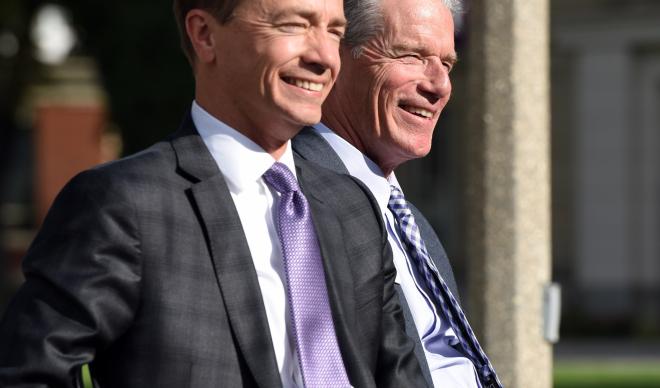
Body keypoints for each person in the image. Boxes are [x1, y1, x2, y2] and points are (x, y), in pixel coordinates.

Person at [0, 0, 425, 387]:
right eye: (294, 25)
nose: (322, 57)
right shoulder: (124, 206)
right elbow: (30, 373)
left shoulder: (353, 209)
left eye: (334, 31)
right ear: (205, 35)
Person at [292, 0, 503, 387]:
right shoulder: (294, 200)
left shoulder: (407, 218)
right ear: (337, 57)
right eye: (411, 56)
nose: (439, 86)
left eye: (447, 64)